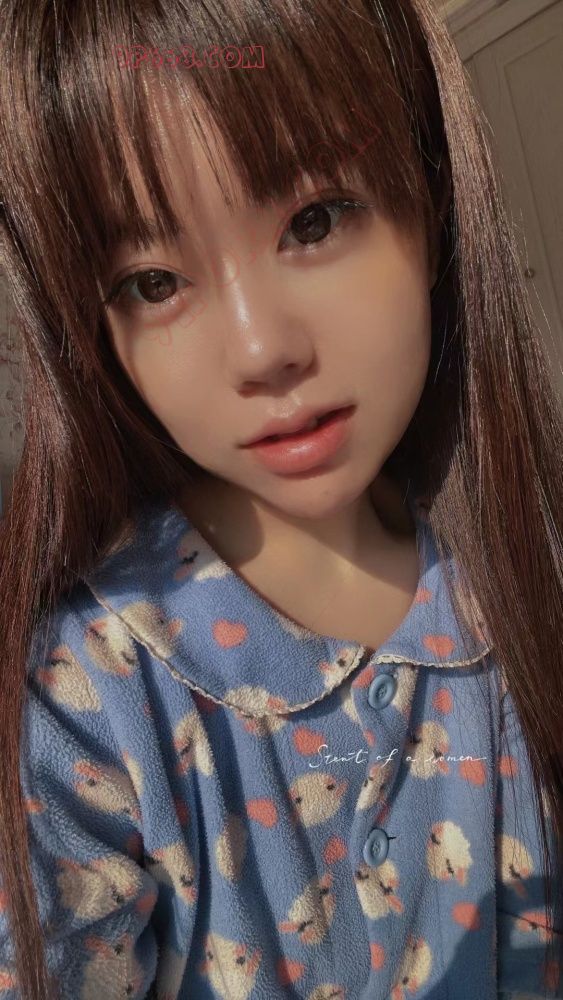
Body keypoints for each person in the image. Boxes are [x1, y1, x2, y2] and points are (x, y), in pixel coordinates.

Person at [0, 0, 561, 997]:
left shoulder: (529, 566)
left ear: (430, 200)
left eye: (313, 219)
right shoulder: (85, 697)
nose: (261, 349)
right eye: (153, 282)